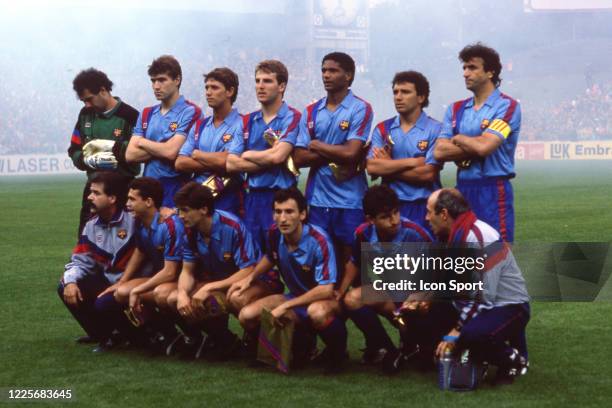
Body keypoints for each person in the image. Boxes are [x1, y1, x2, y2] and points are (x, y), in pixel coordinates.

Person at [232, 187, 348, 372]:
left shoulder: (319, 240)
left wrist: (285, 306)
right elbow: (271, 256)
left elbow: (326, 289)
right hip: (295, 296)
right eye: (278, 212)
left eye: (289, 211)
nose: (283, 218)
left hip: (326, 300)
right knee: (247, 316)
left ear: (302, 214)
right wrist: (250, 278)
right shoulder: (275, 233)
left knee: (316, 313)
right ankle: (285, 350)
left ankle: (338, 355)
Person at [427, 188, 530, 384]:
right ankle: (466, 356)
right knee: (431, 311)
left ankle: (513, 359)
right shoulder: (451, 235)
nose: (426, 217)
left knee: (471, 335)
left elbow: (483, 296)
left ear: (444, 214)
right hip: (477, 304)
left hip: (509, 307)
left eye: (429, 211)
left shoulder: (480, 238)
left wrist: (456, 331)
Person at [164, 182, 273, 359]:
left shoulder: (231, 226)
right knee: (174, 299)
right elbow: (187, 271)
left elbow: (248, 270)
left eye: (185, 210)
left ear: (204, 209)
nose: (180, 216)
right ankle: (223, 340)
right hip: (221, 282)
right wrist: (183, 293)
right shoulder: (189, 231)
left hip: (256, 280)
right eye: (178, 210)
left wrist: (208, 288)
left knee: (236, 298)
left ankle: (257, 342)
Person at [341, 185, 434, 373]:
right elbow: (355, 262)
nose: (394, 221)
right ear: (370, 220)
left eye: (395, 213)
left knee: (423, 352)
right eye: (385, 217)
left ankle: (414, 342)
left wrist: (419, 297)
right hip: (390, 292)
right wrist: (339, 291)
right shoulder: (363, 233)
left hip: (418, 297)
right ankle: (386, 348)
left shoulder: (415, 233)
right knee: (352, 299)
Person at [293, 51, 373, 270]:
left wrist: (317, 145)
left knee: (352, 259)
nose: (326, 75)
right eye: (324, 70)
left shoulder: (360, 108)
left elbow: (351, 153)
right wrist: (339, 150)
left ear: (348, 75)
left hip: (351, 200)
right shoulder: (310, 111)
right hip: (318, 199)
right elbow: (299, 158)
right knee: (322, 258)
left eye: (333, 70)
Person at [434, 43, 521, 242]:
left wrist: (459, 138)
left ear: (490, 72)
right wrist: (476, 143)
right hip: (462, 189)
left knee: (497, 255)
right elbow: (439, 152)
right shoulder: (455, 109)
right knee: (464, 257)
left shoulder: (507, 106)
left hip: (493, 189)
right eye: (464, 68)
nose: (465, 73)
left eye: (472, 68)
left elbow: (485, 147)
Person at [57, 171, 136, 351]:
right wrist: (70, 281)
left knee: (106, 302)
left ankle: (141, 334)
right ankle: (105, 336)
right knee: (65, 286)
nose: (89, 197)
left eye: (96, 193)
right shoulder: (91, 226)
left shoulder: (133, 221)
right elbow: (80, 261)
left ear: (113, 198)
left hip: (135, 285)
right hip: (110, 285)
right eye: (90, 192)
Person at [226, 59, 301, 249]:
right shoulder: (246, 121)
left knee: (281, 256)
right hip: (253, 198)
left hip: (281, 197)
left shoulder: (293, 117)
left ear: (282, 86)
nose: (260, 86)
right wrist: (268, 156)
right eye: (257, 81)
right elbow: (231, 163)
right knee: (254, 256)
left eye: (267, 81)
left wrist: (248, 154)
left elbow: (279, 157)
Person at [107, 177, 185, 350]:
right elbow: (140, 251)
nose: (127, 204)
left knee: (160, 294)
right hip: (165, 278)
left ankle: (190, 335)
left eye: (132, 199)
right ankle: (160, 333)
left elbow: (171, 272)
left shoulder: (170, 225)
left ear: (149, 202)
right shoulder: (141, 224)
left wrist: (138, 289)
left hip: (180, 279)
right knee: (121, 292)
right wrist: (123, 280)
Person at [126, 55, 201, 216]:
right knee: (146, 239)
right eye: (153, 81)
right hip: (147, 190)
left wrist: (143, 142)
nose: (156, 86)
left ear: (177, 80)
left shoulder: (191, 111)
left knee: (172, 237)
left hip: (176, 188)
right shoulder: (146, 113)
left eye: (162, 80)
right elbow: (130, 155)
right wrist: (163, 146)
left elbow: (171, 152)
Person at [366, 71, 441, 231]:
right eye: (395, 92)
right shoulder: (382, 129)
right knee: (391, 256)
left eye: (405, 92)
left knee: (421, 255)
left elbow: (427, 174)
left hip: (424, 206)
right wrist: (414, 162)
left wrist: (388, 166)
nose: (398, 97)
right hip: (391, 209)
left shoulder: (436, 129)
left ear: (421, 97)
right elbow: (372, 167)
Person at [68, 68, 139, 236]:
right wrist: (87, 160)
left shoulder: (131, 116)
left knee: (123, 241)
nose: (87, 105)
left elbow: (139, 153)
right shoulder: (85, 114)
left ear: (103, 90)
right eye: (83, 101)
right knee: (86, 240)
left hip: (123, 189)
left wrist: (115, 153)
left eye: (89, 99)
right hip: (93, 188)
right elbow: (74, 149)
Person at [175, 67, 245, 217]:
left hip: (228, 199)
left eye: (214, 87)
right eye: (207, 87)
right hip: (197, 201)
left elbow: (229, 162)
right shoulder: (199, 125)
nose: (208, 92)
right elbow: (180, 163)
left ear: (230, 91)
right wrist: (218, 161)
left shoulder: (243, 124)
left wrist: (197, 154)